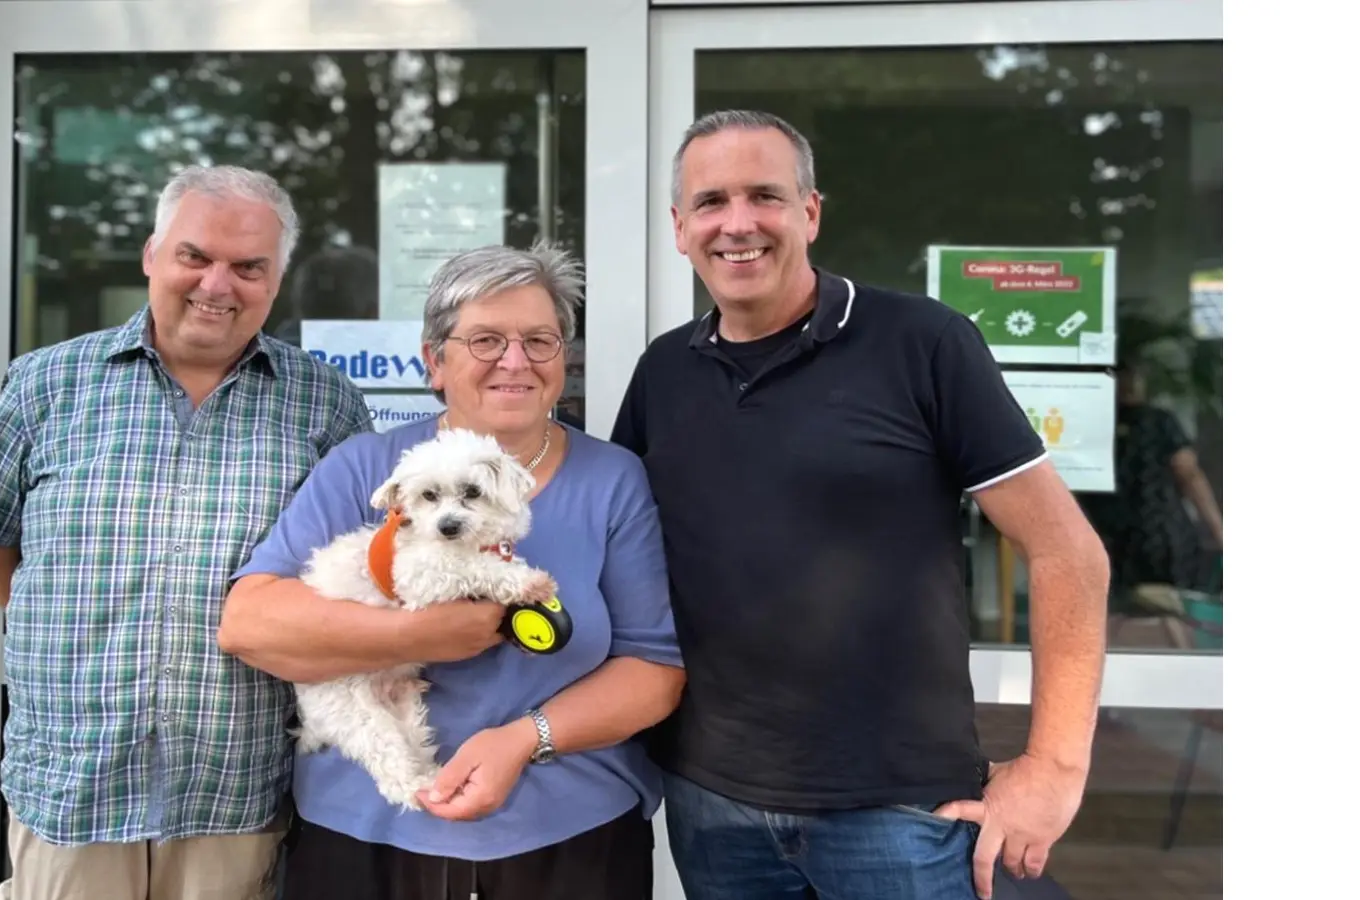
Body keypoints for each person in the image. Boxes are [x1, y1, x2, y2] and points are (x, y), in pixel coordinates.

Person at [611, 109, 1111, 900]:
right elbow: (625, 558)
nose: (737, 224)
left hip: (900, 810)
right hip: (713, 805)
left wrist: (1054, 765)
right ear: (680, 228)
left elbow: (1066, 553)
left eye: (764, 196)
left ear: (810, 212)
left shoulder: (922, 342)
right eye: (711, 202)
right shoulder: (663, 372)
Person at [0, 164, 374, 900]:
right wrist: (64, 637)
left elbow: (352, 576)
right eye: (194, 256)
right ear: (152, 255)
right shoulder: (46, 384)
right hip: (73, 783)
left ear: (276, 280)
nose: (217, 284)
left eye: (248, 267)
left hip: (234, 790)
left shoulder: (324, 405)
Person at [217, 242, 685, 900]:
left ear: (564, 359)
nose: (515, 361)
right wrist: (418, 636)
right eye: (486, 340)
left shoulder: (611, 480)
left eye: (539, 340)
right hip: (366, 833)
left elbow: (654, 670)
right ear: (434, 361)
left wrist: (524, 740)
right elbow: (250, 623)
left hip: (572, 836)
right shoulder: (369, 467)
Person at [1081, 355, 1223, 645]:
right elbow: (1189, 474)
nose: (1131, 383)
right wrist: (1218, 530)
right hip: (1149, 539)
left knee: (1114, 613)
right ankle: (1181, 660)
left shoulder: (1095, 424)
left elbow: (1189, 473)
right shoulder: (1152, 422)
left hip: (1121, 537)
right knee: (1169, 612)